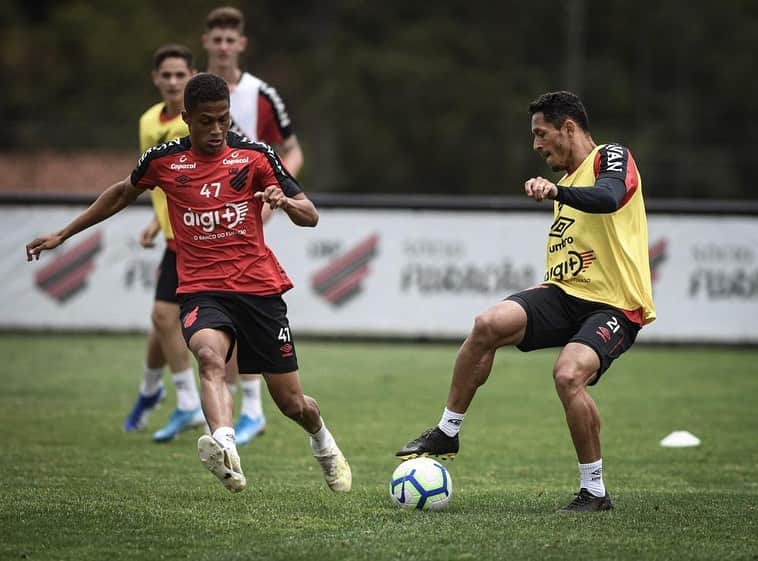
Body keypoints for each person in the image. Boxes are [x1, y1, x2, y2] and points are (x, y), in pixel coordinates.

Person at [27, 73, 352, 495]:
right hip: (202, 288)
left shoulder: (254, 156)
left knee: (292, 404)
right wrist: (63, 235)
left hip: (258, 291)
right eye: (206, 121)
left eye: (223, 120)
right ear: (187, 119)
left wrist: (285, 202)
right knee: (210, 358)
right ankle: (225, 446)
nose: (217, 130)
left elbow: (310, 214)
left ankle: (324, 444)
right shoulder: (163, 161)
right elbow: (121, 194)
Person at [395, 91, 655, 512]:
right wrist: (559, 190)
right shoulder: (567, 180)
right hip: (564, 294)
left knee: (568, 375)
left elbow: (608, 197)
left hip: (615, 305)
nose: (535, 145)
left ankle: (594, 491)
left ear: (568, 127)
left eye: (541, 133)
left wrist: (556, 192)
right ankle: (447, 430)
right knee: (487, 324)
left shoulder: (612, 156)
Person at [201, 6, 305, 446]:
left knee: (239, 308)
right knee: (209, 319)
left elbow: (293, 152)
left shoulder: (262, 94)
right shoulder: (196, 93)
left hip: (250, 218)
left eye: (231, 40)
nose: (223, 47)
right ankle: (234, 409)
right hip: (204, 222)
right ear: (207, 42)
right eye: (217, 39)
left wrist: (274, 202)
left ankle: (251, 409)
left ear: (241, 44)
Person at [122, 44, 205, 442]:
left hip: (196, 238)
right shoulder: (148, 121)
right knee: (161, 323)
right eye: (166, 75)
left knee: (163, 318)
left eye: (180, 75)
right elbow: (156, 181)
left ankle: (189, 402)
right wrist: (156, 222)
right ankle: (150, 392)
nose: (173, 82)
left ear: (192, 75)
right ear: (156, 78)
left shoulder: (198, 124)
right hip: (172, 236)